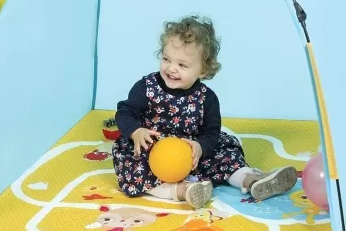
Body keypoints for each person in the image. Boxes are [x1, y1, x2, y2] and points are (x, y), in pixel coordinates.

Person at [112, 16, 297, 209]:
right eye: (166, 59)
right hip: (153, 152)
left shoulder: (206, 98)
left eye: (182, 65)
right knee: (131, 165)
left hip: (191, 154)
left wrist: (200, 146)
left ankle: (250, 180)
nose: (171, 68)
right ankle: (182, 191)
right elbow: (125, 112)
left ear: (203, 70)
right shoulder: (147, 87)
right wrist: (136, 131)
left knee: (226, 153)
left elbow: (211, 131)